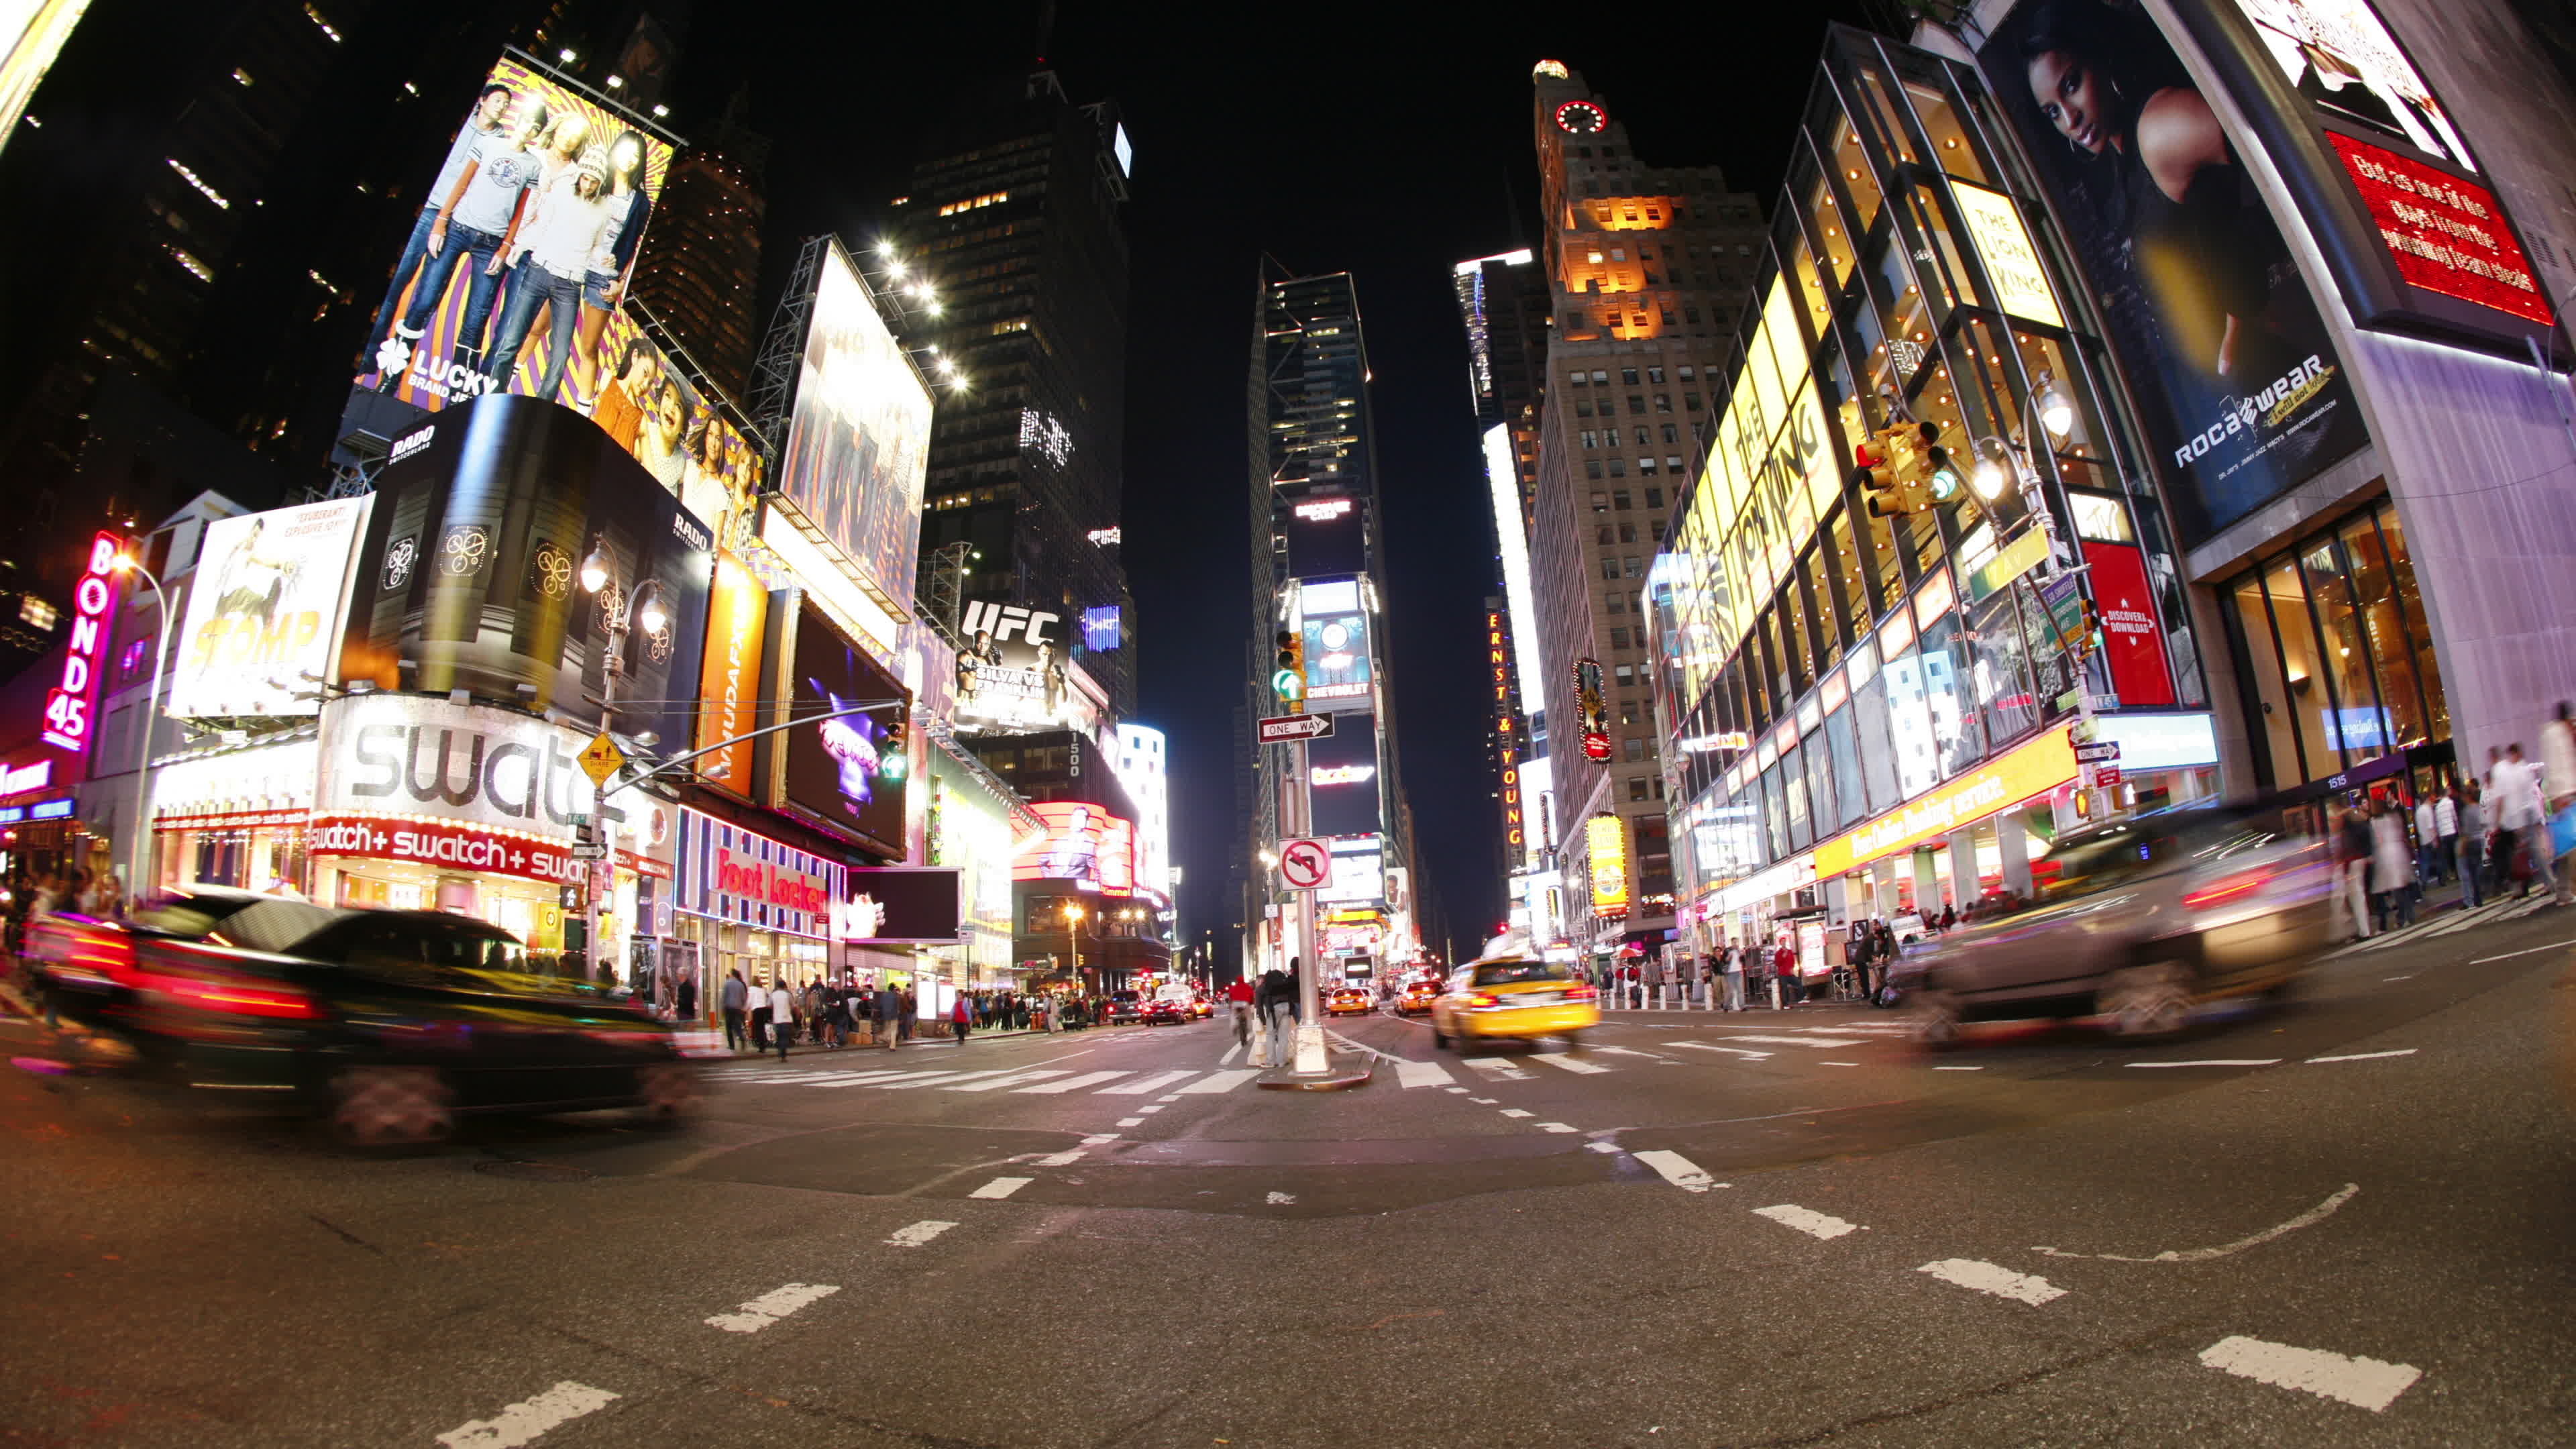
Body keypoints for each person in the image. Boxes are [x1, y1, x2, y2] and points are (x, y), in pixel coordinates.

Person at [385, 95, 552, 382]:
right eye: (527, 122)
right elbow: (461, 184)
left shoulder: (533, 166)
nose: (529, 129)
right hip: (457, 230)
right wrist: (440, 223)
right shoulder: (488, 144)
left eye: (536, 127)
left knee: (477, 318)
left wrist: (505, 248)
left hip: (491, 244)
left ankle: (458, 387)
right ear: (519, 120)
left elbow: (520, 212)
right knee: (426, 299)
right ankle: (393, 371)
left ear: (538, 133)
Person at [2493, 742, 2549, 899]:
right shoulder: (2520, 770)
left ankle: (2546, 882)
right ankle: (2534, 884)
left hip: (2525, 816)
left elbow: (2520, 799)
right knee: (2530, 851)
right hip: (2527, 815)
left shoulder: (2519, 771)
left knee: (2532, 851)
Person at [2543, 702, 2576, 906]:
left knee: (2565, 847)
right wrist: (2560, 798)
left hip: (2562, 795)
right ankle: (2569, 889)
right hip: (2565, 795)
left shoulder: (2553, 734)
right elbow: (2559, 768)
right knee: (2571, 846)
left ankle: (2563, 891)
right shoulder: (2557, 736)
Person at [2370, 797, 2416, 932]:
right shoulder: (2394, 817)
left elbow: (2378, 841)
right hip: (2399, 852)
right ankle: (2410, 915)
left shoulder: (2375, 822)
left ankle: (2402, 918)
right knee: (2403, 888)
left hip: (2387, 856)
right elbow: (2402, 834)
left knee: (2397, 890)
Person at [2455, 783, 2487, 911]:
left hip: (2472, 842)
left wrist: (2462, 847)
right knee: (2478, 869)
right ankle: (2480, 895)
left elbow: (2466, 832)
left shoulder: (2467, 811)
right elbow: (2484, 823)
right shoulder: (2479, 808)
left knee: (2472, 873)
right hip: (2480, 840)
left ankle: (2477, 898)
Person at [1254, 966, 1293, 1064]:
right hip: (1287, 1007)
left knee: (1270, 1034)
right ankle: (1282, 1061)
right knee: (1283, 1035)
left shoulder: (1260, 989)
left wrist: (1264, 1022)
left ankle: (1270, 1061)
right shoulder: (1280, 984)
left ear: (1260, 980)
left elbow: (1259, 1007)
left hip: (1274, 1010)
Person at [767, 977, 794, 1061]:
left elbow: (769, 1005)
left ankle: (780, 1052)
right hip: (786, 1019)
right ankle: (783, 1055)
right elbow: (793, 1005)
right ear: (784, 986)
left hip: (777, 1019)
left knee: (779, 1036)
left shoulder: (773, 994)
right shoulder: (788, 994)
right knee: (785, 1037)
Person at [875, 981, 903, 1051]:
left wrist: (880, 1015)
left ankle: (885, 1039)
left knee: (887, 1029)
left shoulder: (884, 995)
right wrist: (899, 1016)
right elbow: (897, 1007)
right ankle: (891, 1046)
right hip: (893, 1016)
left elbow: (880, 1005)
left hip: (886, 1016)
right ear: (894, 989)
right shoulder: (895, 996)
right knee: (893, 1031)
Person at [1228, 975, 1255, 1046]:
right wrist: (1252, 1003)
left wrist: (1230, 1005)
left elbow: (1230, 997)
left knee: (1233, 1016)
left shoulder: (1234, 987)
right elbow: (1252, 996)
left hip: (1235, 1004)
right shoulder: (1247, 987)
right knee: (1248, 1017)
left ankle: (1234, 1026)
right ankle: (1249, 1028)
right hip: (1245, 1004)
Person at [1772, 938, 1798, 1009]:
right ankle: (1785, 1004)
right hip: (1782, 973)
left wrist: (1792, 968)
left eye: (1785, 942)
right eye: (1782, 942)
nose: (1784, 943)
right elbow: (1778, 963)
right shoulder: (1778, 953)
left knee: (1797, 983)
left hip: (1789, 972)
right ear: (1780, 943)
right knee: (1784, 988)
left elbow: (1792, 960)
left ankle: (1800, 998)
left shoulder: (1789, 951)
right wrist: (1783, 957)